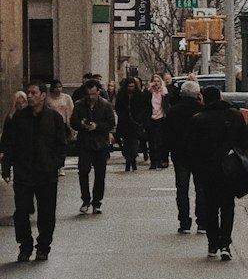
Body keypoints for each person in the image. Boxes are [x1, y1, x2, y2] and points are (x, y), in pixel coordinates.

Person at [1, 79, 67, 262]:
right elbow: (9, 145)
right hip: (24, 173)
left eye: (33, 93)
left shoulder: (54, 118)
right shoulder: (19, 119)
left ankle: (43, 247)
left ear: (43, 96)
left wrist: (56, 164)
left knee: (47, 214)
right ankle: (25, 245)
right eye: (28, 93)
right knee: (21, 211)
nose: (29, 96)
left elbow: (61, 145)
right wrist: (6, 167)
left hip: (46, 174)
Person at [190, 86, 248, 262]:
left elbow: (193, 148)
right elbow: (245, 140)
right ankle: (225, 244)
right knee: (227, 206)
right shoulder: (234, 115)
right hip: (230, 169)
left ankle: (212, 243)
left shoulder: (198, 120)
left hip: (208, 169)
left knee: (211, 206)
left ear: (204, 99)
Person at [164, 79, 204, 235]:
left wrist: (165, 154)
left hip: (180, 154)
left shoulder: (173, 111)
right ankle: (202, 221)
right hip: (200, 154)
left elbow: (166, 134)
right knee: (201, 189)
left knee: (182, 189)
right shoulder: (202, 110)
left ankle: (184, 222)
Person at [71, 77, 116, 215]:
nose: (91, 97)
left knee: (100, 174)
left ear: (98, 92)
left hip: (100, 143)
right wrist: (82, 124)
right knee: (83, 171)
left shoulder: (106, 105)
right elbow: (73, 122)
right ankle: (85, 200)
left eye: (94, 94)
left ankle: (97, 202)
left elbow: (111, 123)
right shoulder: (79, 105)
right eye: (89, 94)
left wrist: (97, 126)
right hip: (85, 142)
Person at [115, 73, 150, 172]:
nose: (131, 88)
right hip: (125, 123)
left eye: (132, 86)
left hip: (136, 123)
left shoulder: (139, 95)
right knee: (126, 144)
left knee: (134, 143)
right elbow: (118, 108)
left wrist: (140, 120)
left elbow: (143, 108)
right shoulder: (121, 96)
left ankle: (133, 160)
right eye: (129, 86)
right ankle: (128, 160)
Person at [147, 74, 169, 168]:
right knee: (152, 141)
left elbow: (167, 105)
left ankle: (161, 160)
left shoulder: (164, 93)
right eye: (154, 81)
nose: (156, 83)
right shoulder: (149, 93)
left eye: (158, 81)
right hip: (151, 118)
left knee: (160, 140)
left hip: (161, 118)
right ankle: (153, 161)